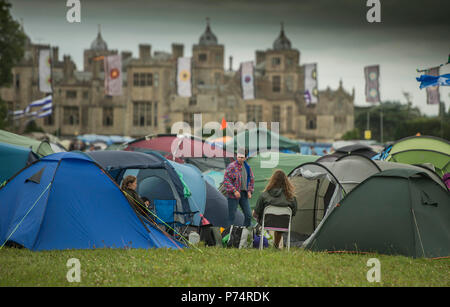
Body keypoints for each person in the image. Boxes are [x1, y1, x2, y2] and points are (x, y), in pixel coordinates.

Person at [253, 169, 297, 249]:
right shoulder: (291, 197)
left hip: (267, 222)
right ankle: (276, 246)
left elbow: (257, 211)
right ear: (286, 181)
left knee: (257, 214)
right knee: (281, 220)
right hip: (283, 224)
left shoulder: (264, 195)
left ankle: (263, 239)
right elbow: (293, 212)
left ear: (272, 180)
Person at [223, 149, 254, 227]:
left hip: (244, 194)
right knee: (231, 216)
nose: (240, 158)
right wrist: (234, 190)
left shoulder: (247, 167)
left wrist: (250, 191)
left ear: (246, 158)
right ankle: (229, 235)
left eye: (242, 157)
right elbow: (226, 181)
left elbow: (251, 179)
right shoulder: (232, 166)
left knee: (248, 215)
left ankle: (244, 232)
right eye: (238, 157)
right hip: (233, 195)